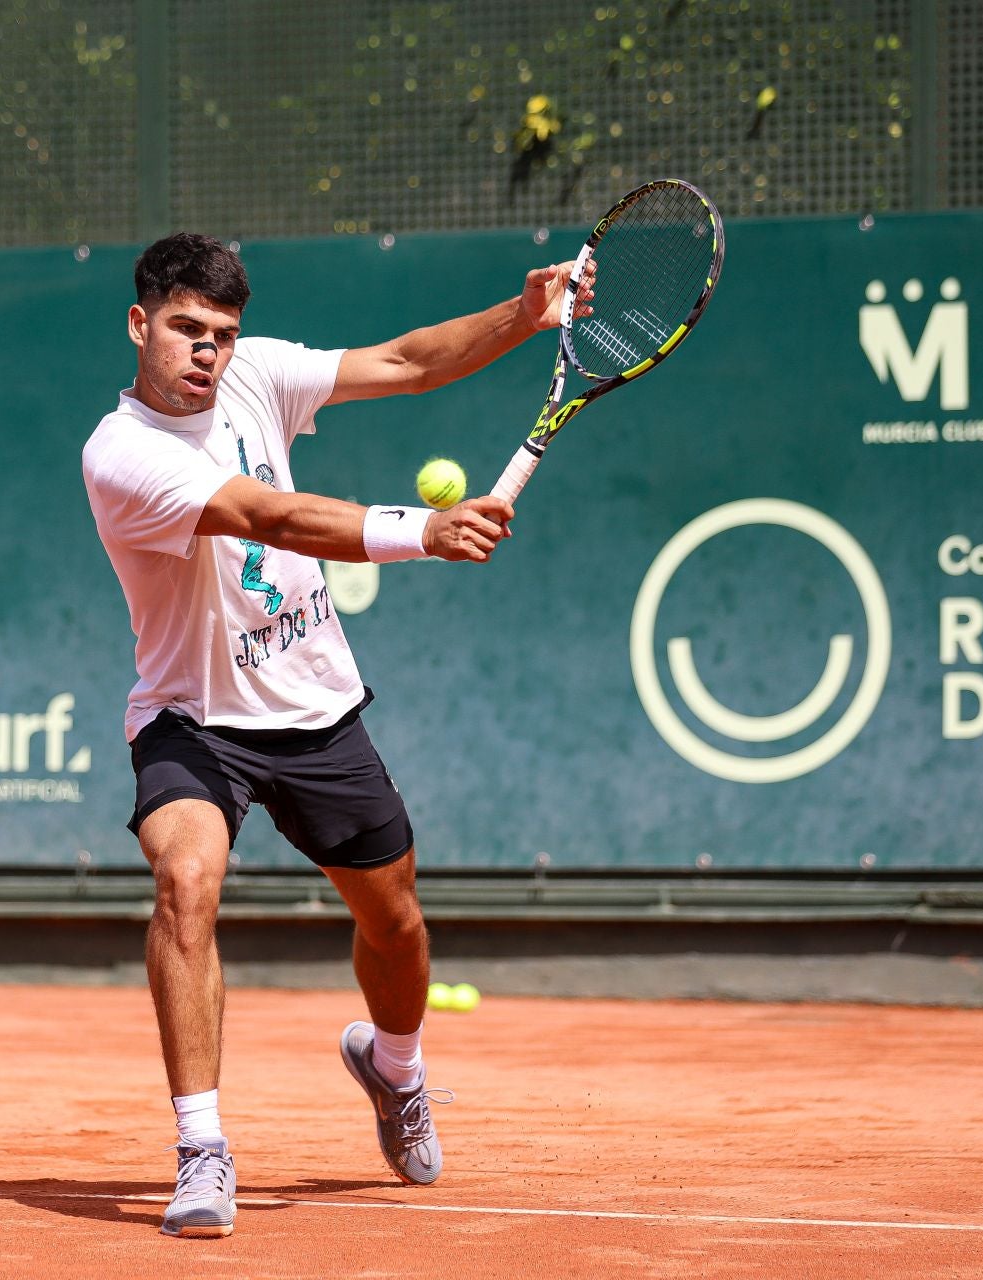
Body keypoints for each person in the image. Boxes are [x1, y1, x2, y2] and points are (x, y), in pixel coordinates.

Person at [80, 233, 590, 1238]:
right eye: (185, 327)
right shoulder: (120, 453)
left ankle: (395, 1066)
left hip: (314, 708)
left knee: (394, 921)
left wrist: (524, 315)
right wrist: (420, 531)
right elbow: (267, 514)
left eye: (223, 333)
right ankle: (202, 1150)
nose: (207, 350)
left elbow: (404, 362)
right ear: (140, 325)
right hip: (191, 717)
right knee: (185, 880)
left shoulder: (257, 374)